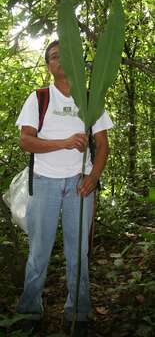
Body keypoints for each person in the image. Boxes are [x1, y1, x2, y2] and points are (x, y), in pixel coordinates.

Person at [15, 40, 113, 335]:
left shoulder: (89, 98)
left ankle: (79, 314)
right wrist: (65, 142)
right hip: (44, 183)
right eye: (53, 57)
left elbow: (103, 145)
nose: (59, 60)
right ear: (48, 66)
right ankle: (30, 310)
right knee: (39, 251)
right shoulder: (39, 98)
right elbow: (26, 141)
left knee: (78, 252)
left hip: (79, 185)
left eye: (64, 54)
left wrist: (93, 177)